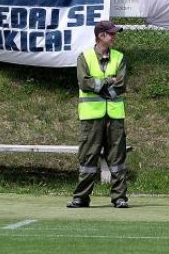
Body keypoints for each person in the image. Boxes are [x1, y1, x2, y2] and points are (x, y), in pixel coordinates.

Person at [67, 20, 129, 209]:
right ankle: (81, 197)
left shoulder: (119, 57)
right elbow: (84, 83)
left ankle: (119, 197)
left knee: (117, 158)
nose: (114, 36)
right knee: (88, 157)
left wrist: (100, 86)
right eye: (111, 34)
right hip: (91, 116)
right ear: (101, 36)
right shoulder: (84, 57)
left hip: (114, 117)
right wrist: (108, 81)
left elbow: (121, 85)